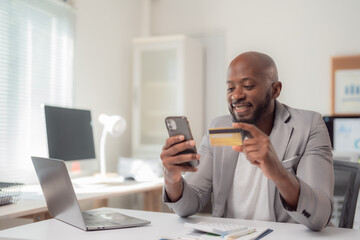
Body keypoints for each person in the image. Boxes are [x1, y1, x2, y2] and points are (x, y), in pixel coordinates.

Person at [160, 51, 334, 231]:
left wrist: (278, 173)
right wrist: (172, 179)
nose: (236, 95)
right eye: (230, 88)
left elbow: (320, 216)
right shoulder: (218, 127)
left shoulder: (309, 126)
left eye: (248, 86)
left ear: (275, 90)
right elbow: (188, 205)